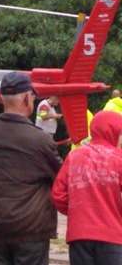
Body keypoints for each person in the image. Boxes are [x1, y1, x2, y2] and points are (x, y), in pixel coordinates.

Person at [0, 71, 62, 265]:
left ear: (0, 98)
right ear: (28, 98)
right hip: (28, 228)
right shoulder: (40, 140)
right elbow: (60, 177)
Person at [51, 111, 122, 264]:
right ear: (114, 131)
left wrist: (76, 211)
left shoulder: (74, 156)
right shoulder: (119, 158)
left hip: (79, 233)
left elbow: (58, 194)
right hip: (112, 233)